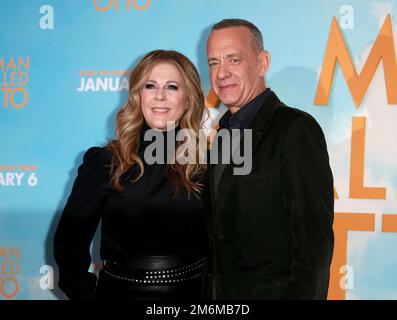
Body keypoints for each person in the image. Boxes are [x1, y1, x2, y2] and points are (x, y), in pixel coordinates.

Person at [53, 50, 208, 300]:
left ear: (188, 99)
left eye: (172, 87)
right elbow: (69, 244)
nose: (159, 96)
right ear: (138, 95)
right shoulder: (105, 163)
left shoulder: (208, 164)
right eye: (150, 86)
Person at [202, 19, 334, 299]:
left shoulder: (295, 130)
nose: (221, 73)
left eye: (233, 59)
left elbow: (313, 250)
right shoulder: (221, 136)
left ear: (262, 63)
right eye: (213, 63)